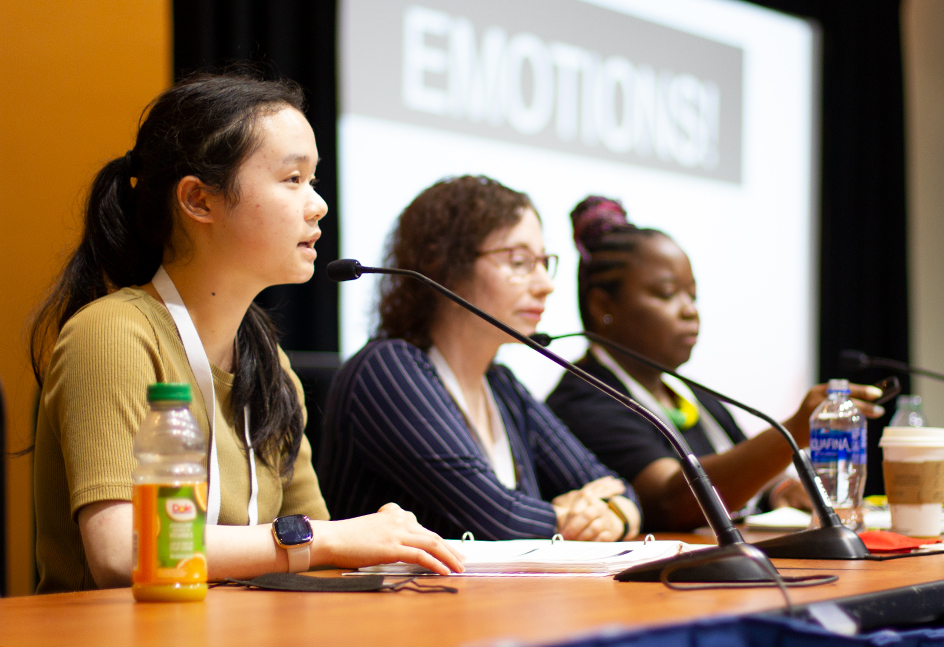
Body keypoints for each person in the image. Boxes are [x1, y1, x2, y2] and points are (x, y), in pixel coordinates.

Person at [29, 73, 462, 593]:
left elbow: (321, 554)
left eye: (314, 180)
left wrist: (376, 545)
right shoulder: (115, 333)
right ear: (199, 201)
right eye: (292, 179)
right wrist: (326, 540)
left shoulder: (267, 362)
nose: (318, 204)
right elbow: (125, 551)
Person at [319, 176, 641, 542]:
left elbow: (613, 487)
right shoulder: (385, 371)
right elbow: (497, 521)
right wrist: (574, 515)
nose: (545, 284)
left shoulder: (502, 385)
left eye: (543, 262)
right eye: (519, 262)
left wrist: (617, 515)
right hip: (389, 598)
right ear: (446, 266)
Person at [546, 196, 884, 531]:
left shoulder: (684, 391)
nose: (689, 310)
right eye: (666, 294)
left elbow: (741, 465)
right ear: (602, 306)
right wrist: (792, 432)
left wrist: (783, 490)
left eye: (691, 296)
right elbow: (670, 501)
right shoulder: (584, 399)